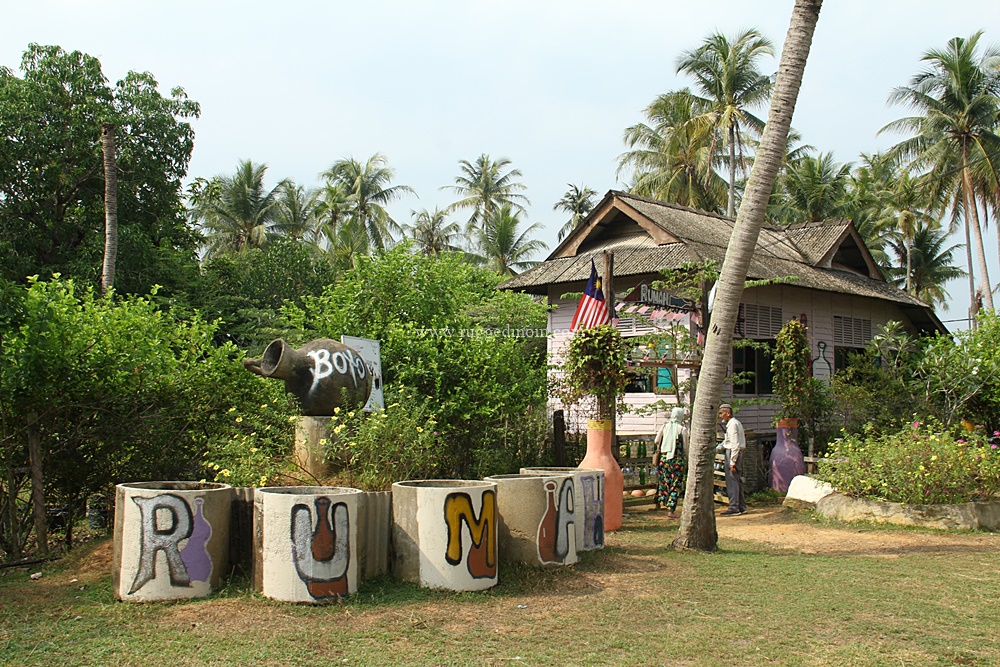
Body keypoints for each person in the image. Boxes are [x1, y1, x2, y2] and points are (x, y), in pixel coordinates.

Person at [653, 407, 686, 518]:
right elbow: (686, 447)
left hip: (664, 459)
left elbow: (656, 440)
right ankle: (671, 510)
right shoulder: (682, 429)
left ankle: (664, 503)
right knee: (676, 485)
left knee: (665, 482)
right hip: (677, 461)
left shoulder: (664, 426)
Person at [718, 403, 746, 516]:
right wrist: (717, 449)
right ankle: (741, 506)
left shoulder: (733, 424)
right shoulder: (733, 423)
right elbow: (727, 442)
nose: (720, 416)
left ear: (728, 413)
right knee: (737, 480)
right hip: (735, 452)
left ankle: (734, 506)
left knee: (732, 480)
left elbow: (734, 444)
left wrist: (732, 462)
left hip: (734, 453)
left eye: (721, 413)